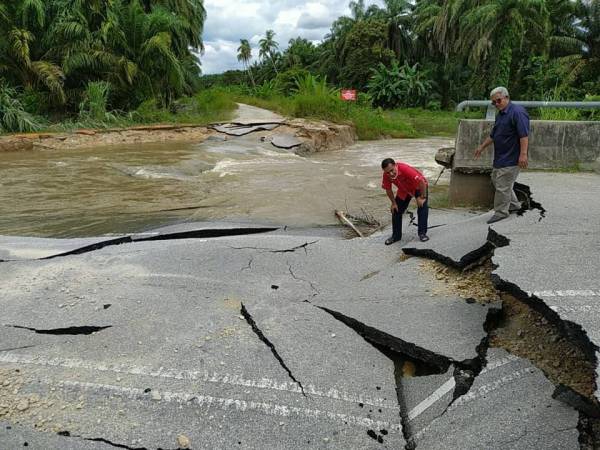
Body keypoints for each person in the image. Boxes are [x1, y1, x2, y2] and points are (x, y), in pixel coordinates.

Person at [474, 86, 529, 224]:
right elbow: (494, 135)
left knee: (503, 186)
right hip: (500, 157)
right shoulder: (501, 115)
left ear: (506, 97)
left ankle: (501, 212)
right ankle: (514, 205)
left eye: (498, 101)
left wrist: (523, 155)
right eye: (493, 103)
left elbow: (524, 136)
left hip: (511, 157)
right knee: (497, 180)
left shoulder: (517, 112)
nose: (496, 104)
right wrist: (481, 147)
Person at [381, 158, 429, 245]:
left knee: (422, 207)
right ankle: (396, 236)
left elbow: (421, 182)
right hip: (404, 190)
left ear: (395, 165)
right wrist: (394, 203)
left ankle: (422, 233)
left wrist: (422, 197)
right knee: (396, 210)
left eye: (392, 170)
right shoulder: (386, 175)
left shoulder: (405, 169)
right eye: (387, 172)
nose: (390, 174)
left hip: (419, 187)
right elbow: (388, 189)